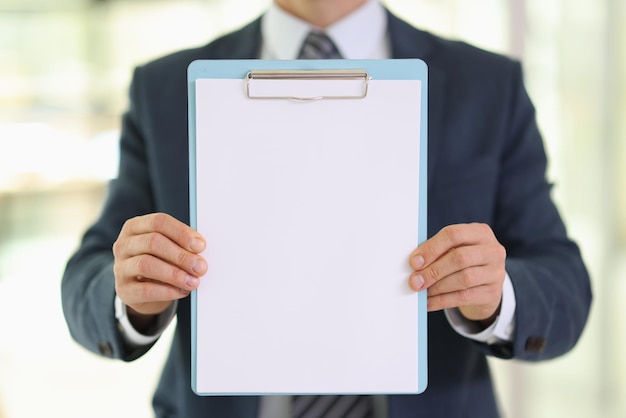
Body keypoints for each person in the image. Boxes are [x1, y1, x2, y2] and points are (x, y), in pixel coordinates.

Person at [61, 0, 592, 417]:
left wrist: (498, 295)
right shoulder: (164, 88)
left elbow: (564, 281)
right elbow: (88, 276)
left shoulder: (487, 85)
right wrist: (132, 292)